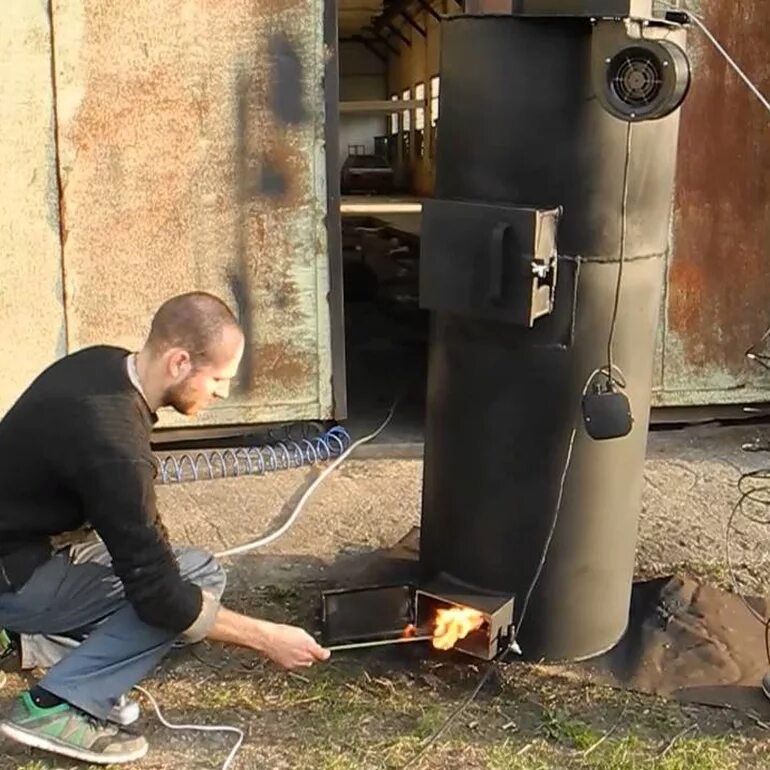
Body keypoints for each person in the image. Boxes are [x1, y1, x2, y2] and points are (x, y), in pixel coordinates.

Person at [0, 292, 330, 765]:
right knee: (184, 589)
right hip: (15, 574)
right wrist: (267, 638)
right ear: (179, 362)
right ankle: (58, 705)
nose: (223, 393)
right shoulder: (113, 443)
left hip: (24, 545)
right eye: (218, 378)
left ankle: (24, 642)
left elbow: (128, 526)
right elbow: (159, 595)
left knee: (198, 568)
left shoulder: (100, 365)